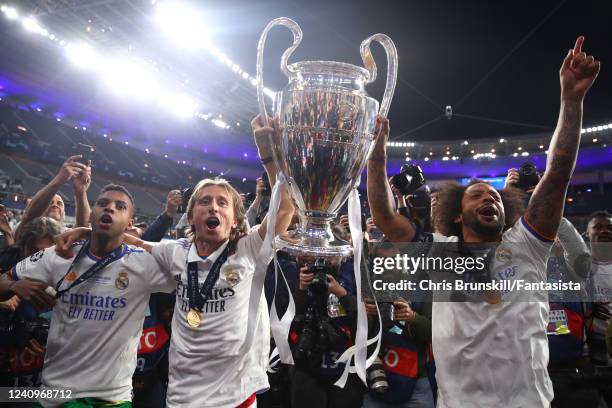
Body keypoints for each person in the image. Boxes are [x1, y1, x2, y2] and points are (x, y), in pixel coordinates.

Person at [366, 37, 600, 407]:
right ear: (457, 213)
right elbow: (384, 216)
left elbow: (556, 174)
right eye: (477, 194)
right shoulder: (438, 254)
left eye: (494, 196)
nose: (489, 197)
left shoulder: (529, 245)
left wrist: (571, 101)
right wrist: (376, 157)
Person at [102, 116, 294, 407]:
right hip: (183, 396)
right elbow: (130, 241)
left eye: (222, 202)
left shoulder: (248, 247)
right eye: (204, 202)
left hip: (236, 395)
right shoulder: (175, 251)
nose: (213, 207)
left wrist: (269, 155)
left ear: (234, 219)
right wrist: (80, 231)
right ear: (191, 217)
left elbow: (285, 208)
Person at [0, 184, 175, 407]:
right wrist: (15, 286)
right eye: (102, 204)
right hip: (57, 395)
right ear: (92, 214)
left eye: (119, 207)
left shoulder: (144, 263)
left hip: (112, 398)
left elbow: (190, 258)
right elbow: (3, 280)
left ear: (130, 222)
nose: (109, 209)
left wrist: (118, 236)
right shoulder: (60, 254)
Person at [14, 155, 91, 239]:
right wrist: (60, 178)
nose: (55, 205)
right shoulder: (25, 227)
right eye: (50, 202)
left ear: (64, 215)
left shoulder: (67, 233)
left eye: (59, 203)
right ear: (41, 208)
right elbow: (29, 216)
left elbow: (83, 227)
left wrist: (81, 192)